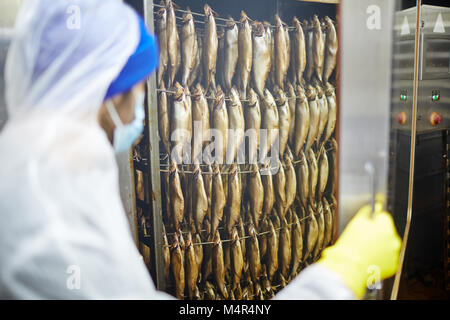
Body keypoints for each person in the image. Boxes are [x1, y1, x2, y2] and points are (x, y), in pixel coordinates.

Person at [0, 0, 401, 299]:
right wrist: (339, 276)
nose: (141, 107)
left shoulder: (39, 164)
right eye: (140, 90)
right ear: (107, 93)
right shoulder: (51, 203)